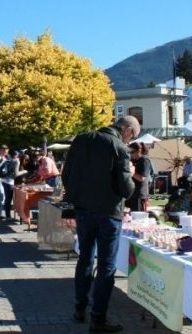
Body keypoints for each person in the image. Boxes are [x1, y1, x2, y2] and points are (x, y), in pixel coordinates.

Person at [62, 115, 139, 333]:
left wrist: (77, 199)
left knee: (85, 258)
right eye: (132, 135)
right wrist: (131, 174)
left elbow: (66, 175)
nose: (130, 140)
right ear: (125, 129)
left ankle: (79, 308)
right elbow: (127, 190)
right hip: (108, 214)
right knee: (106, 266)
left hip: (84, 211)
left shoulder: (81, 139)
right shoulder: (119, 148)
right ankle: (98, 318)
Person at [1, 150, 27, 221]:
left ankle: (7, 215)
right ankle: (8, 216)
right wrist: (24, 171)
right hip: (9, 182)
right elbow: (16, 174)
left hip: (4, 180)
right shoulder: (16, 161)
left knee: (7, 199)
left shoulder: (8, 160)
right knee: (10, 199)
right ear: (17, 155)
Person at [125, 142, 150, 212]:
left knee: (138, 218)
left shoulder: (144, 160)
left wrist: (132, 172)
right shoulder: (132, 160)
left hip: (139, 195)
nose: (130, 154)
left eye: (131, 152)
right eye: (128, 152)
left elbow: (142, 178)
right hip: (131, 193)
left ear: (138, 151)